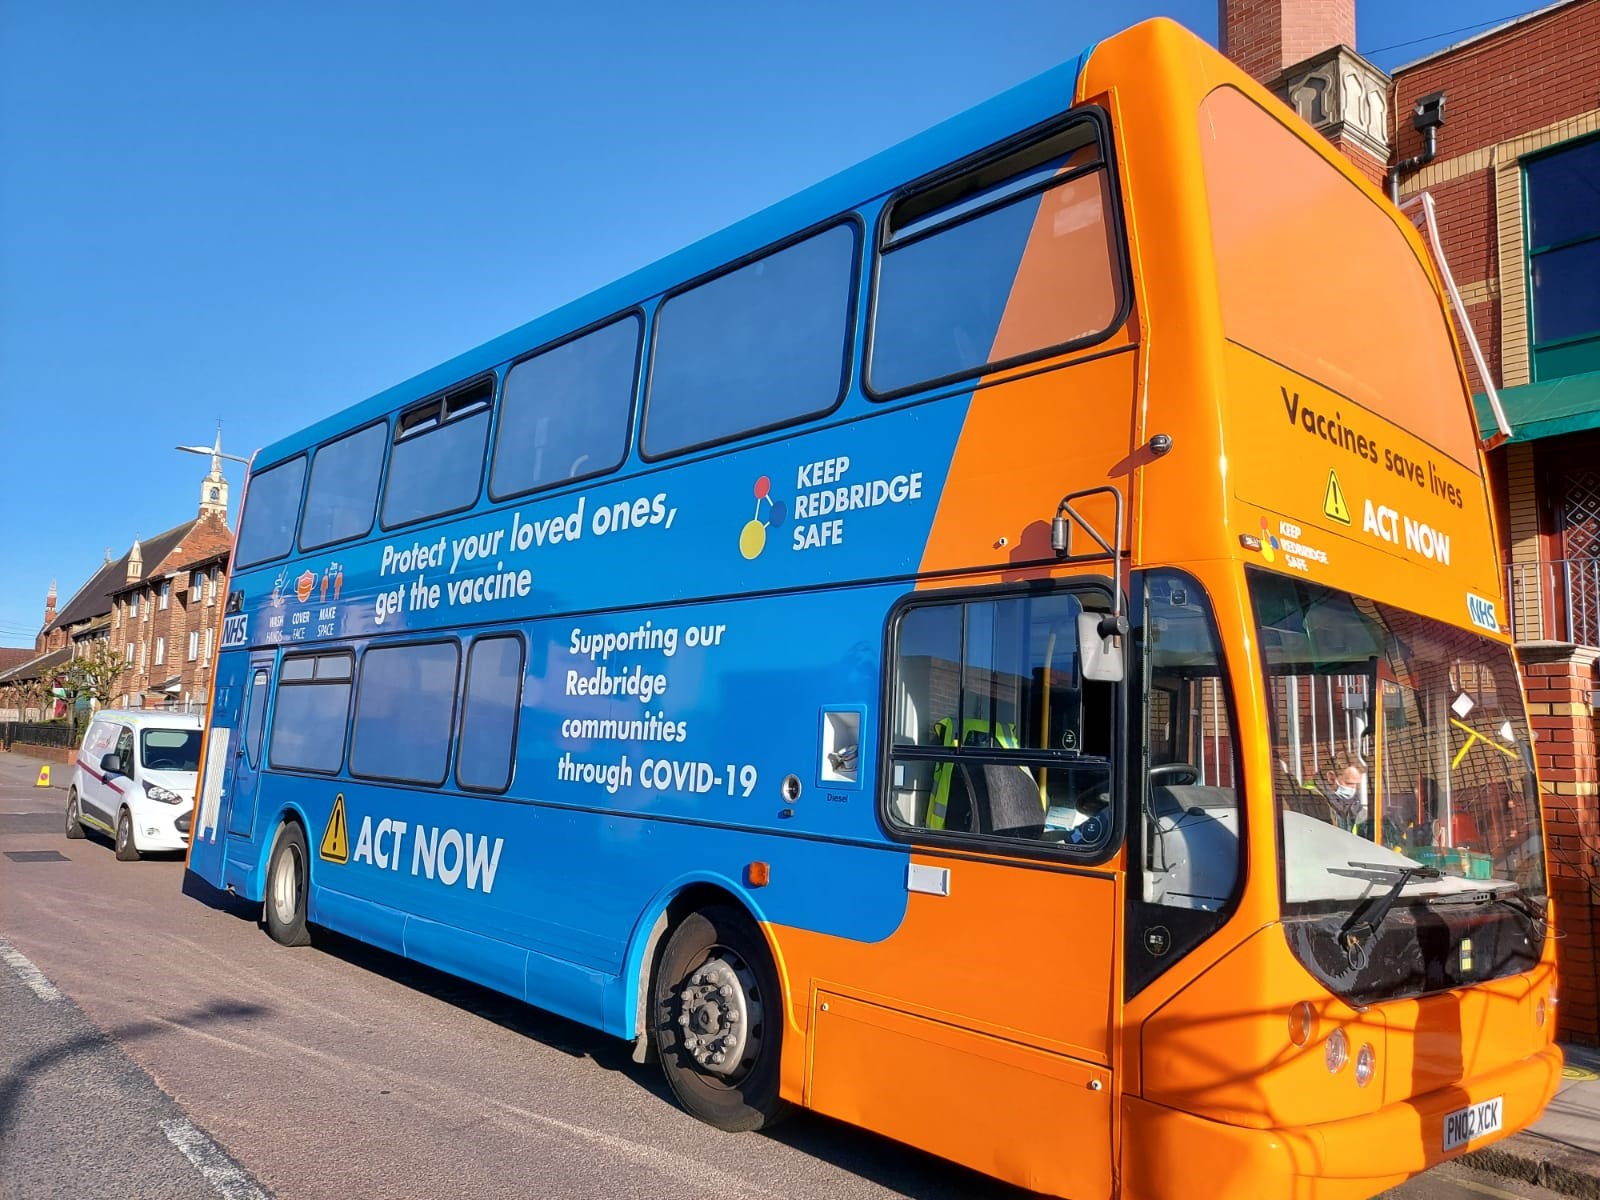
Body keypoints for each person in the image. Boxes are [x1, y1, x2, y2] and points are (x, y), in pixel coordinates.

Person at [1313, 758, 1366, 828]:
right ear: (1331, 777)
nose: (1354, 789)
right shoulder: (1312, 799)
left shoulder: (1355, 805)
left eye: (1357, 784)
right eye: (1349, 783)